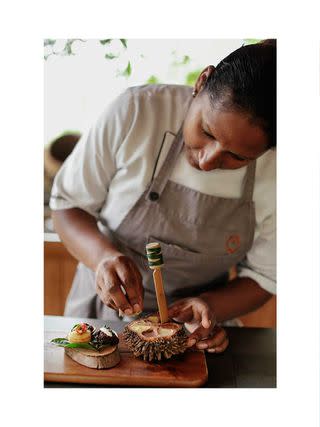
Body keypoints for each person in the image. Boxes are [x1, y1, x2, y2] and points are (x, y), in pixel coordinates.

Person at [50, 40, 276, 354]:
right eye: (207, 132)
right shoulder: (136, 110)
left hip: (196, 334)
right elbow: (67, 204)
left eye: (237, 157)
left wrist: (210, 305)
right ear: (201, 82)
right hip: (101, 318)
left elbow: (266, 276)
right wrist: (102, 258)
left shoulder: (280, 172)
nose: (208, 161)